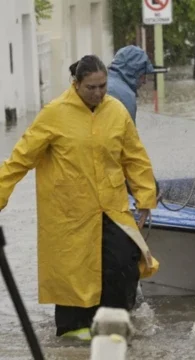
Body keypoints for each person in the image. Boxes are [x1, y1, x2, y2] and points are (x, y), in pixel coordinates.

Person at [0, 55, 159, 340]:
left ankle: (114, 329)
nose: (98, 93)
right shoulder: (55, 113)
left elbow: (134, 156)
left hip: (111, 207)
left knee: (123, 263)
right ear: (76, 84)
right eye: (91, 87)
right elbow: (20, 158)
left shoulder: (116, 111)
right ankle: (73, 337)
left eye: (103, 86)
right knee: (74, 274)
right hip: (69, 212)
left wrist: (146, 196)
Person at [107, 45, 156, 124]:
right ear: (136, 72)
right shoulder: (126, 96)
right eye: (143, 75)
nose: (144, 81)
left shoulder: (102, 81)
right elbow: (129, 134)